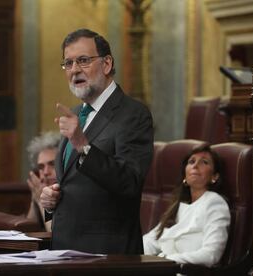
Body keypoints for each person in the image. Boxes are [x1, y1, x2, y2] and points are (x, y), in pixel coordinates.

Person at [39, 28, 154, 254]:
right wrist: (51, 202)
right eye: (68, 63)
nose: (74, 70)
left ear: (107, 64)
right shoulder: (75, 113)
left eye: (83, 60)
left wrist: (83, 145)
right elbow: (75, 183)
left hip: (108, 256)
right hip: (65, 251)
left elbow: (130, 182)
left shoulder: (133, 114)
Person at [143, 144, 231, 268]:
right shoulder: (178, 206)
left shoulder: (215, 203)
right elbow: (151, 241)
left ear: (214, 176)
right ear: (185, 175)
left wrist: (165, 260)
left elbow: (211, 254)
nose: (195, 165)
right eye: (191, 161)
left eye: (204, 162)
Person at [25, 131, 60, 232]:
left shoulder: (72, 193)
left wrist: (41, 202)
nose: (45, 172)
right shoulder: (40, 189)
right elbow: (29, 230)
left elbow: (54, 233)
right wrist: (35, 198)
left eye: (52, 164)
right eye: (41, 167)